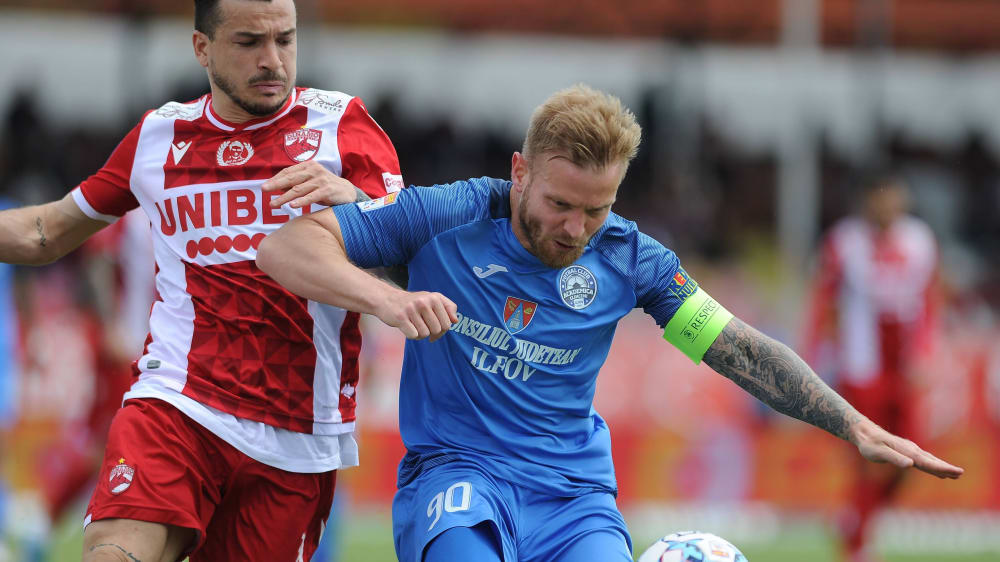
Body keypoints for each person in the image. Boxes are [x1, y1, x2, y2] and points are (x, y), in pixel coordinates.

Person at [257, 84, 963, 562]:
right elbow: (287, 247)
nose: (576, 228)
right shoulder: (449, 216)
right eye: (562, 204)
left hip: (574, 498)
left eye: (596, 209)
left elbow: (734, 347)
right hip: (460, 477)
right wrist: (386, 301)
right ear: (520, 171)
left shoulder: (631, 260)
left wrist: (852, 423)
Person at [0, 0, 403, 559]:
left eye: (285, 40)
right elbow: (47, 231)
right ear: (202, 48)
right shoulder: (158, 137)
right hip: (177, 402)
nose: (273, 61)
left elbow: (415, 259)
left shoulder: (343, 128)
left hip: (296, 433)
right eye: (249, 42)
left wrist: (359, 205)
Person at [805, 175, 939, 562]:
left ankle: (853, 521)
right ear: (867, 201)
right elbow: (824, 301)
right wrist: (813, 356)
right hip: (861, 368)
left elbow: (930, 299)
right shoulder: (844, 241)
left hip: (905, 368)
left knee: (913, 455)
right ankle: (857, 544)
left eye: (895, 198)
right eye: (881, 198)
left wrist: (927, 351)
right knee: (867, 459)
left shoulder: (920, 240)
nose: (888, 206)